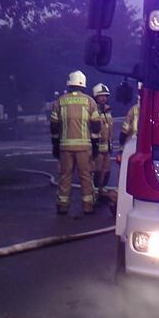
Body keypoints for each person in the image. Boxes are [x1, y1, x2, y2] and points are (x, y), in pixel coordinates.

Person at [50, 71, 102, 215]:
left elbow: (54, 125)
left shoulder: (60, 101)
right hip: (84, 147)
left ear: (69, 84)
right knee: (85, 176)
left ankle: (62, 206)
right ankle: (88, 206)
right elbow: (96, 125)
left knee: (65, 176)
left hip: (65, 147)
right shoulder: (90, 101)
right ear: (83, 85)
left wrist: (55, 144)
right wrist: (95, 144)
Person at [91, 83, 113, 204]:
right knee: (97, 171)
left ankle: (102, 192)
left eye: (105, 96)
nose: (104, 98)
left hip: (107, 148)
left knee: (106, 170)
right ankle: (94, 194)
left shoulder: (108, 110)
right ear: (95, 97)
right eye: (101, 96)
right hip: (98, 148)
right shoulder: (93, 110)